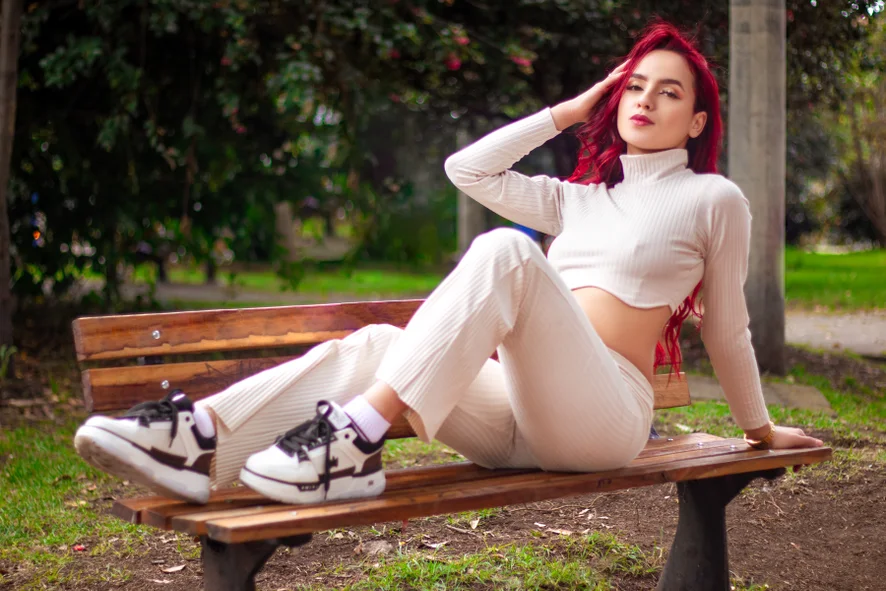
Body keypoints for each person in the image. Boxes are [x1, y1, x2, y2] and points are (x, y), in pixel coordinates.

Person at [74, 21, 824, 506]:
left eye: (668, 92)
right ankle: (201, 439)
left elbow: (728, 329)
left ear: (696, 121)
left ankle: (351, 444)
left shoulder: (713, 199)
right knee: (377, 345)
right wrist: (568, 112)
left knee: (507, 250)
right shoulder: (579, 199)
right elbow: (467, 170)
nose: (644, 100)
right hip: (519, 415)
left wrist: (759, 429)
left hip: (605, 418)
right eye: (633, 86)